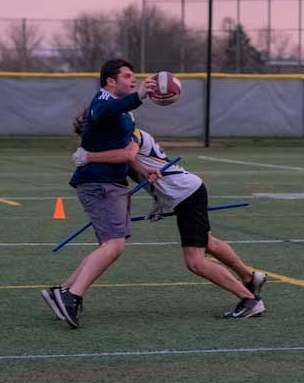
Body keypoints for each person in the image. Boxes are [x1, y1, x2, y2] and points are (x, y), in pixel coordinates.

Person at [69, 128, 267, 319]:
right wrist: (159, 205)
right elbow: (148, 176)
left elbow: (129, 155)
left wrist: (88, 157)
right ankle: (250, 278)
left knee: (195, 262)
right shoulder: (119, 138)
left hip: (186, 193)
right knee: (208, 242)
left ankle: (249, 300)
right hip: (183, 193)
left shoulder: (130, 134)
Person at [41, 58, 161, 328]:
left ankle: (61, 291)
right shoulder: (102, 102)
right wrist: (139, 96)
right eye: (128, 76)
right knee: (114, 245)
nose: (133, 80)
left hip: (112, 183)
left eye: (134, 77)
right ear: (110, 81)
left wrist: (142, 170)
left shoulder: (123, 111)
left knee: (108, 246)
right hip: (99, 183)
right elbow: (101, 113)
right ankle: (72, 297)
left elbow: (127, 153)